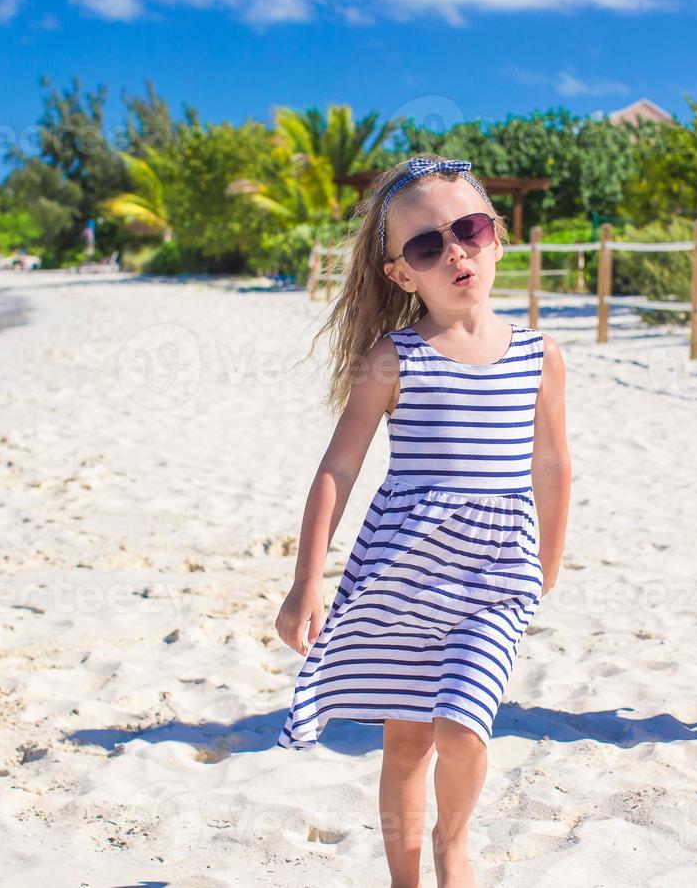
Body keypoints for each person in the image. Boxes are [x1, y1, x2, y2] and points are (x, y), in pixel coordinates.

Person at [275, 155, 571, 886]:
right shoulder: (393, 358)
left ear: (498, 236)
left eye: (469, 229)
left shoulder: (540, 355)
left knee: (465, 728)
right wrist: (306, 580)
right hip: (404, 575)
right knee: (407, 745)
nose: (456, 252)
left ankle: (453, 844)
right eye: (427, 246)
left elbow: (554, 466)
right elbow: (338, 468)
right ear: (402, 273)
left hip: (498, 575)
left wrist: (548, 565)